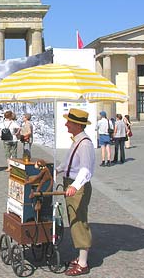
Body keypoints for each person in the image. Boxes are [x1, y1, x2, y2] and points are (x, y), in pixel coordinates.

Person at [56, 108, 94, 276]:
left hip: (77, 186)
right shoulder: (76, 141)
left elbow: (86, 169)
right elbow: (68, 163)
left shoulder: (85, 144)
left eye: (69, 121)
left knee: (79, 222)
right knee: (73, 220)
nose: (66, 124)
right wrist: (56, 170)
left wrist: (75, 186)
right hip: (69, 183)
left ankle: (83, 263)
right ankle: (79, 258)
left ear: (78, 125)